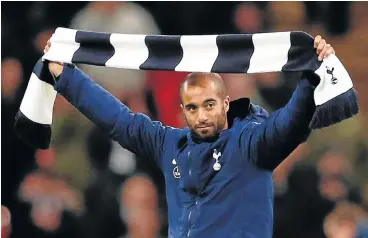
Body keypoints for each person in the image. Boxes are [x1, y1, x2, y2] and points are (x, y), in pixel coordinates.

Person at [44, 35, 335, 237]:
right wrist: (66, 76)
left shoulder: (252, 143)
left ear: (225, 103)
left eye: (209, 105)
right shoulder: (170, 143)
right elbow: (120, 120)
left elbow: (290, 124)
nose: (202, 115)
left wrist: (311, 77)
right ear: (183, 111)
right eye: (193, 108)